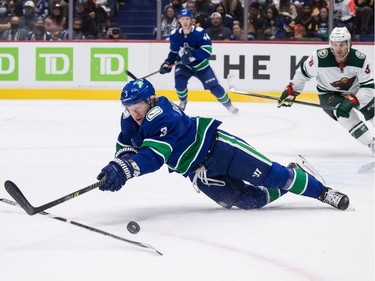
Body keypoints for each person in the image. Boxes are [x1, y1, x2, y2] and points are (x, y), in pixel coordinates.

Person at [96, 77, 350, 211]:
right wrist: (116, 165)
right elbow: (127, 146)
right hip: (197, 172)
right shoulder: (131, 117)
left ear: (150, 101)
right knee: (251, 201)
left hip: (220, 149)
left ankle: (322, 191)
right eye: (129, 108)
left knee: (272, 175)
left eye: (138, 107)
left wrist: (126, 170)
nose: (134, 113)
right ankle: (299, 173)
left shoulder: (162, 116)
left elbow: (153, 157)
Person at [278, 27, 374, 153]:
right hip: (329, 94)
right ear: (330, 44)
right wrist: (292, 91)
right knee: (343, 115)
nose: (338, 49)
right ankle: (371, 144)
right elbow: (303, 73)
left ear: (349, 44)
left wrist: (353, 99)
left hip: (355, 91)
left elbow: (368, 87)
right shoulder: (319, 58)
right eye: (335, 44)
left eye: (342, 44)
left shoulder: (359, 59)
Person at [159, 8, 238, 114]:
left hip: (201, 66)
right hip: (184, 66)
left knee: (215, 89)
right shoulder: (174, 35)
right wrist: (167, 63)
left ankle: (229, 105)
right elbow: (173, 52)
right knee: (180, 84)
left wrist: (192, 55)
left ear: (191, 20)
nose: (185, 21)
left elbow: (207, 50)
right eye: (183, 19)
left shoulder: (199, 32)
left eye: (187, 19)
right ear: (179, 20)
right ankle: (183, 101)